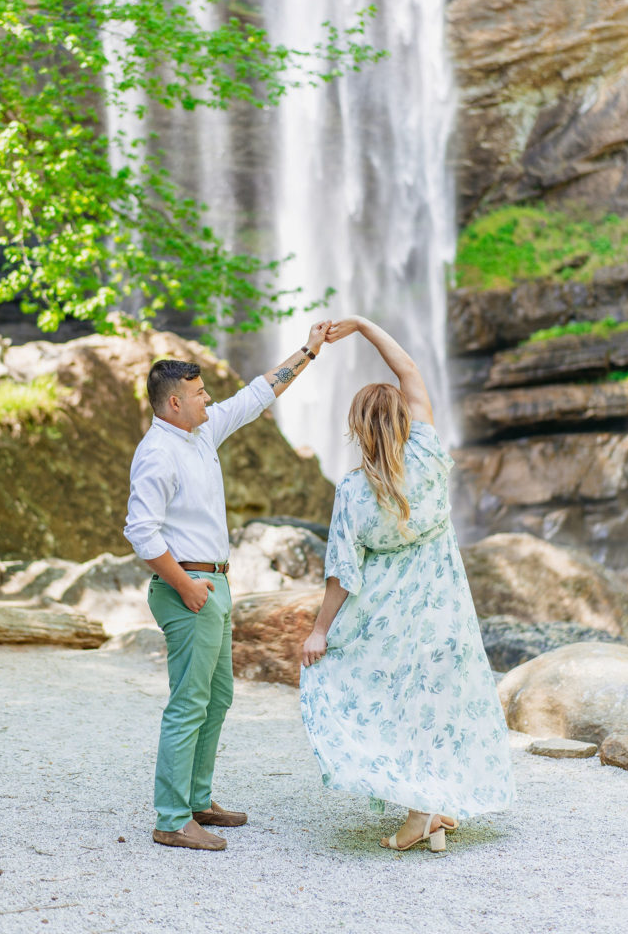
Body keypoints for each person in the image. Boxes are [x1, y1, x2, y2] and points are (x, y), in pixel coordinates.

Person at [301, 316, 515, 853]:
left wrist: (319, 631)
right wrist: (363, 326)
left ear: (356, 429)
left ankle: (421, 815)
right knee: (437, 703)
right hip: (445, 609)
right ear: (402, 420)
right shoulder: (426, 453)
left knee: (392, 705)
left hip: (387, 619)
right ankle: (438, 806)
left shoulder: (352, 492)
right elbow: (410, 369)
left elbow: (341, 573)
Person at [124, 321, 331, 851]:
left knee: (216, 698)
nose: (208, 398)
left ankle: (196, 799)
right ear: (173, 403)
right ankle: (171, 819)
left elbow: (257, 394)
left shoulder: (201, 431)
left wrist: (309, 350)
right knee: (189, 702)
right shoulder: (158, 453)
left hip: (213, 585)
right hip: (188, 587)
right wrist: (187, 586)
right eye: (198, 394)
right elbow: (141, 533)